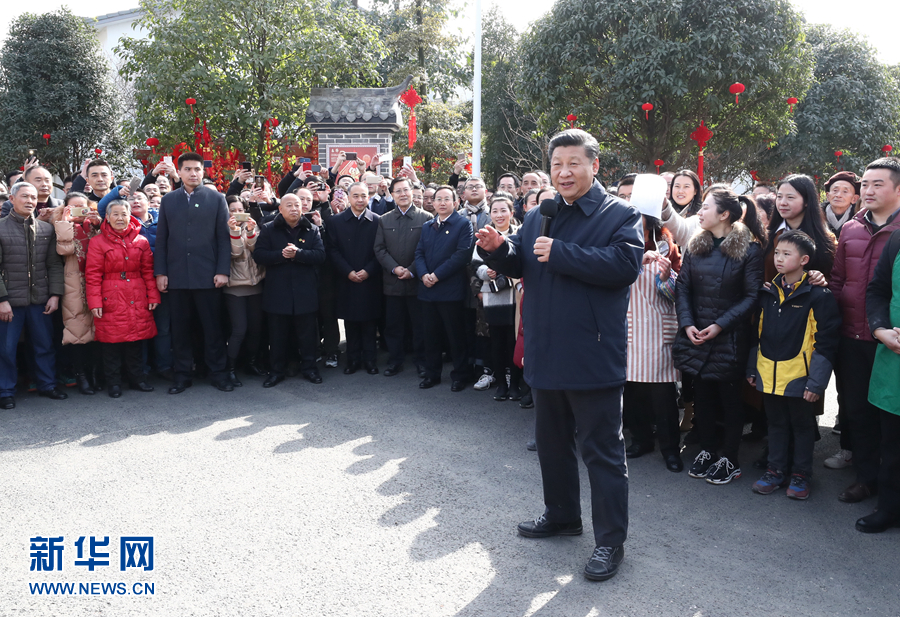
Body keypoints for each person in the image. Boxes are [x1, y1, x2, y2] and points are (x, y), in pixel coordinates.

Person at [475, 129, 643, 582]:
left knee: (602, 452)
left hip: (592, 353)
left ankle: (610, 541)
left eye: (573, 163)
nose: (564, 172)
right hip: (545, 349)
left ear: (594, 165)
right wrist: (501, 250)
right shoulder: (540, 214)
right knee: (551, 444)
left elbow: (625, 266)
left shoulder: (620, 214)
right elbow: (526, 261)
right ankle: (563, 515)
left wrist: (563, 253)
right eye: (557, 164)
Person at [674, 187, 766, 485]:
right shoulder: (695, 245)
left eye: (706, 207)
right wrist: (687, 323)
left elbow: (752, 296)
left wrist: (720, 326)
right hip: (696, 333)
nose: (699, 212)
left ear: (724, 214)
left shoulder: (749, 249)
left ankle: (730, 458)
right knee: (702, 396)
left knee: (730, 400)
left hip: (729, 336)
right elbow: (683, 288)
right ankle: (708, 449)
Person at [748, 230, 840, 499]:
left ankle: (801, 474)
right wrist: (752, 369)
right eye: (777, 252)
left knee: (802, 426)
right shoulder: (767, 293)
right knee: (775, 423)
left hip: (801, 377)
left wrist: (817, 382)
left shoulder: (818, 296)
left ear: (804, 260)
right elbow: (756, 335)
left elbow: (826, 342)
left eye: (787, 254)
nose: (779, 258)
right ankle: (775, 470)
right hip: (769, 373)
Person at [830, 157, 900, 504]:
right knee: (856, 411)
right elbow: (838, 279)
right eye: (866, 184)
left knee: (890, 417)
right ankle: (866, 478)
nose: (868, 191)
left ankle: (891, 485)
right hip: (852, 335)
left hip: (891, 340)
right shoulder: (851, 228)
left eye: (878, 184)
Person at [154, 152, 234, 394]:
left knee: (212, 328)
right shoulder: (168, 200)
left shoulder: (216, 198)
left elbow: (223, 239)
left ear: (203, 171)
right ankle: (182, 375)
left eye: (197, 169)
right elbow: (162, 239)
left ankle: (218, 373)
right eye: (187, 169)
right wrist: (161, 272)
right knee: (180, 330)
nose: (193, 173)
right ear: (179, 172)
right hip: (177, 276)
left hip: (208, 275)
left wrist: (222, 271)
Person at [623, 208, 683, 472]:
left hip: (658, 327)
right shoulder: (617, 243)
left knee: (663, 395)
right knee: (632, 391)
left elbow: (678, 293)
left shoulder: (667, 246)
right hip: (629, 326)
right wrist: (636, 261)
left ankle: (671, 450)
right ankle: (641, 440)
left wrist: (666, 277)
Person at [0, 182, 68, 408]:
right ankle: (5, 391)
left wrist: (55, 295)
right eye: (24, 196)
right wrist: (2, 300)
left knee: (44, 344)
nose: (30, 201)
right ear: (12, 199)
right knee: (6, 349)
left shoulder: (46, 229)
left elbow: (54, 265)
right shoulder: (1, 228)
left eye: (33, 197)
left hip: (40, 299)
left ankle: (47, 384)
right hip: (10, 301)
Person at [85, 200, 158, 398]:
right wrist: (95, 302)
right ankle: (114, 383)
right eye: (115, 214)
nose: (120, 218)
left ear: (130, 216)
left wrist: (152, 295)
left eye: (124, 214)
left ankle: (137, 379)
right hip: (111, 295)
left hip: (136, 294)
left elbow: (148, 271)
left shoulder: (141, 241)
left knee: (136, 341)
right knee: (111, 343)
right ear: (107, 218)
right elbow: (93, 275)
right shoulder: (98, 242)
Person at [253, 192, 326, 386]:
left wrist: (298, 254)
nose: (294, 209)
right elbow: (259, 255)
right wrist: (281, 255)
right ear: (280, 209)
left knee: (307, 336)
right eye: (290, 205)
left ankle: (310, 369)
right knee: (277, 336)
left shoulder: (311, 229)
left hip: (305, 291)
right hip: (278, 292)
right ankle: (276, 371)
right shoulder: (269, 229)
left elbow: (320, 255)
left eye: (297, 205)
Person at [416, 185, 475, 391]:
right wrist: (424, 274)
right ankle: (432, 374)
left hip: (450, 290)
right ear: (432, 202)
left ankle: (460, 375)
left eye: (446, 199)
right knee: (430, 335)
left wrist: (437, 275)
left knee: (455, 336)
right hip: (427, 289)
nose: (442, 203)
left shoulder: (463, 224)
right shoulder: (427, 225)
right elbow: (419, 253)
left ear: (456, 202)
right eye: (438, 199)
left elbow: (462, 255)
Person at [861, 226, 900, 532]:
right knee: (893, 444)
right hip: (894, 358)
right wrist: (880, 329)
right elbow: (877, 290)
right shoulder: (897, 239)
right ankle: (889, 508)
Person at [374, 177, 432, 377]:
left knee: (420, 325)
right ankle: (395, 360)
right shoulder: (384, 219)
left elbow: (428, 249)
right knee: (393, 326)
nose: (403, 194)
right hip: (393, 282)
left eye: (406, 190)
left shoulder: (426, 218)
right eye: (398, 191)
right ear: (392, 194)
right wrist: (395, 268)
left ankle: (422, 361)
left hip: (418, 281)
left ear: (412, 192)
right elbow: (379, 249)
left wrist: (412, 269)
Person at [327, 182, 383, 374]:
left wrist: (368, 270)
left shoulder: (377, 221)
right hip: (346, 279)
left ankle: (370, 361)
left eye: (364, 196)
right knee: (350, 322)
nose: (360, 200)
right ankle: (352, 360)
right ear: (349, 198)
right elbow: (332, 251)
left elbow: (381, 250)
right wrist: (348, 271)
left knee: (370, 322)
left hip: (370, 279)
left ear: (369, 197)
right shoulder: (335, 222)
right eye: (356, 196)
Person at [471, 193, 522, 401]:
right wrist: (487, 272)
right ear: (490, 214)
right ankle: (501, 384)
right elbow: (475, 265)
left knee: (514, 341)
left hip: (516, 296)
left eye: (503, 210)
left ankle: (515, 384)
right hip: (493, 296)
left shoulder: (519, 234)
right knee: (497, 342)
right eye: (495, 211)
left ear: (512, 212)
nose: (499, 215)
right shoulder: (484, 235)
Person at [52, 193, 103, 395]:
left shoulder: (94, 226)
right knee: (76, 332)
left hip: (97, 281)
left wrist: (99, 224)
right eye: (74, 207)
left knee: (98, 330)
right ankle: (81, 376)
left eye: (83, 206)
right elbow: (64, 250)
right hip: (73, 284)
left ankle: (95, 374)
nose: (79, 211)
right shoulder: (59, 225)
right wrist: (65, 223)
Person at [224, 195, 265, 386]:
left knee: (256, 329)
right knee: (239, 330)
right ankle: (230, 369)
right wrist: (234, 231)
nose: (237, 213)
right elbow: (235, 253)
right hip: (235, 288)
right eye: (233, 210)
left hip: (256, 284)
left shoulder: (252, 227)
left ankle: (251, 363)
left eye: (241, 210)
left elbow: (257, 250)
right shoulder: (222, 230)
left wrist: (250, 232)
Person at [766, 174, 836, 282]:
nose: (782, 203)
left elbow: (835, 276)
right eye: (779, 197)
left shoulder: (827, 240)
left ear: (807, 201)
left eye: (790, 197)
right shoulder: (767, 236)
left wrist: (822, 279)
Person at [659, 170, 703, 246]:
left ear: (695, 190)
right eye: (677, 186)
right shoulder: (661, 211)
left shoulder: (702, 213)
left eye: (686, 186)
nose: (680, 191)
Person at [823, 171, 861, 239]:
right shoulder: (814, 216)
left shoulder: (861, 219)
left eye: (845, 191)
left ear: (854, 199)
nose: (838, 195)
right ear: (828, 196)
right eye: (835, 190)